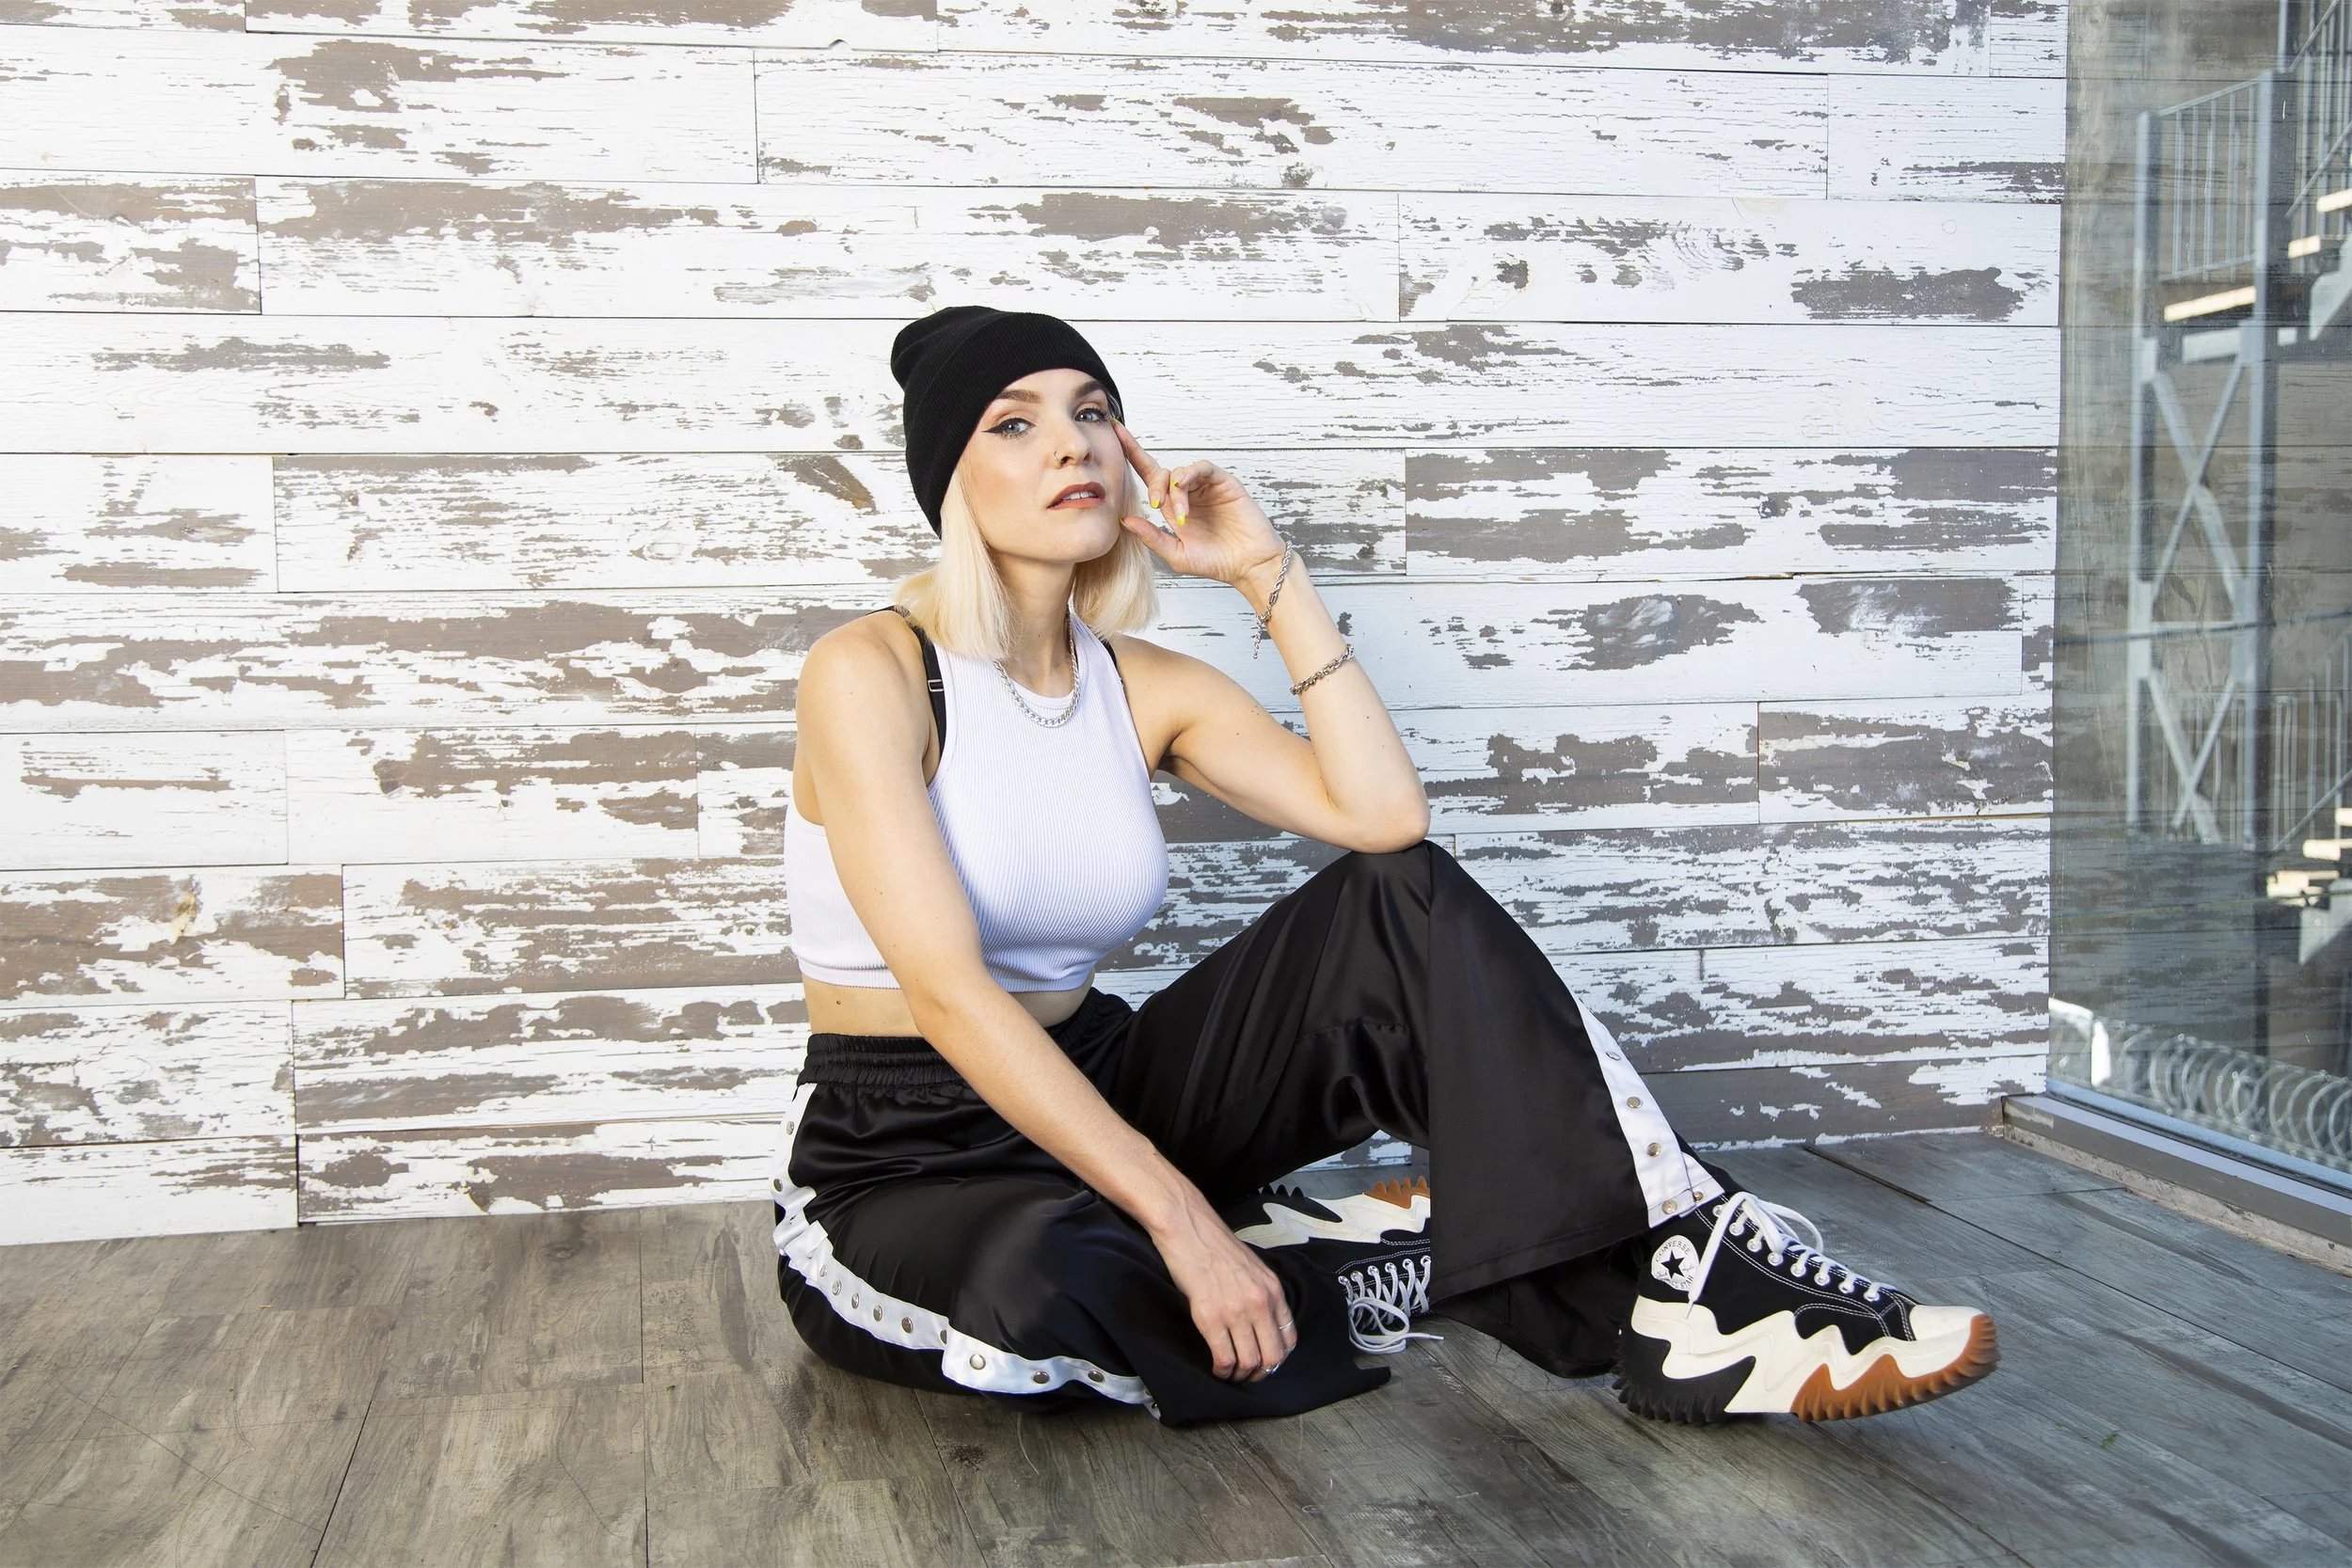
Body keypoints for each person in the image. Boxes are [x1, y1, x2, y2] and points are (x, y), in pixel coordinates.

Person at [769, 304, 2000, 1427]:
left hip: (1105, 1080)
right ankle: (1394, 1248)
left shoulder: (1137, 687)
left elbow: (1382, 819)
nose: (1072, 444)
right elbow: (950, 994)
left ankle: (1694, 1275)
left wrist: (1266, 575)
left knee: (1395, 901)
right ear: (953, 479)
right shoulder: (871, 673)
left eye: (1093, 412)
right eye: (1016, 422)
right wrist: (1186, 1220)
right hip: (902, 1146)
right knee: (1050, 1283)